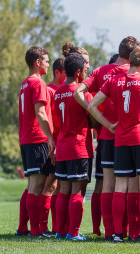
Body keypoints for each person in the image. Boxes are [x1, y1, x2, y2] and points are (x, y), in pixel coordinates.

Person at [73, 36, 140, 240]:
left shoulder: (101, 71)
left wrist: (100, 119)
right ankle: (128, 230)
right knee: (130, 185)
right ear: (134, 55)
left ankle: (110, 231)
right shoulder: (136, 74)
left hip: (106, 135)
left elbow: (78, 93)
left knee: (107, 185)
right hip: (130, 136)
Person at [88, 47, 140, 243]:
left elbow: (92, 105)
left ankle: (118, 233)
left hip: (120, 139)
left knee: (120, 186)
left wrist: (108, 124)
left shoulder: (113, 81)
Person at [54, 53, 93, 240]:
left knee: (63, 191)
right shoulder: (81, 93)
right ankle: (74, 233)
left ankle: (60, 232)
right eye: (85, 70)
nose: (86, 73)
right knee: (77, 191)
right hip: (78, 146)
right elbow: (93, 119)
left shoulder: (57, 92)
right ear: (78, 72)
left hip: (62, 146)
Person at [16, 46, 55, 238]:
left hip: (26, 139)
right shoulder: (38, 83)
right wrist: (51, 137)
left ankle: (25, 228)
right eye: (46, 61)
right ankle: (37, 230)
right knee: (37, 186)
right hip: (37, 138)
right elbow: (40, 112)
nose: (48, 64)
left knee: (32, 184)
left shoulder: (24, 83)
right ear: (37, 62)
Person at [43, 57, 66, 235]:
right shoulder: (50, 90)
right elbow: (50, 119)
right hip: (55, 142)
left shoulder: (62, 90)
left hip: (63, 142)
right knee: (50, 183)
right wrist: (53, 141)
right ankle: (43, 226)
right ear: (57, 72)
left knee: (58, 184)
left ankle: (58, 227)